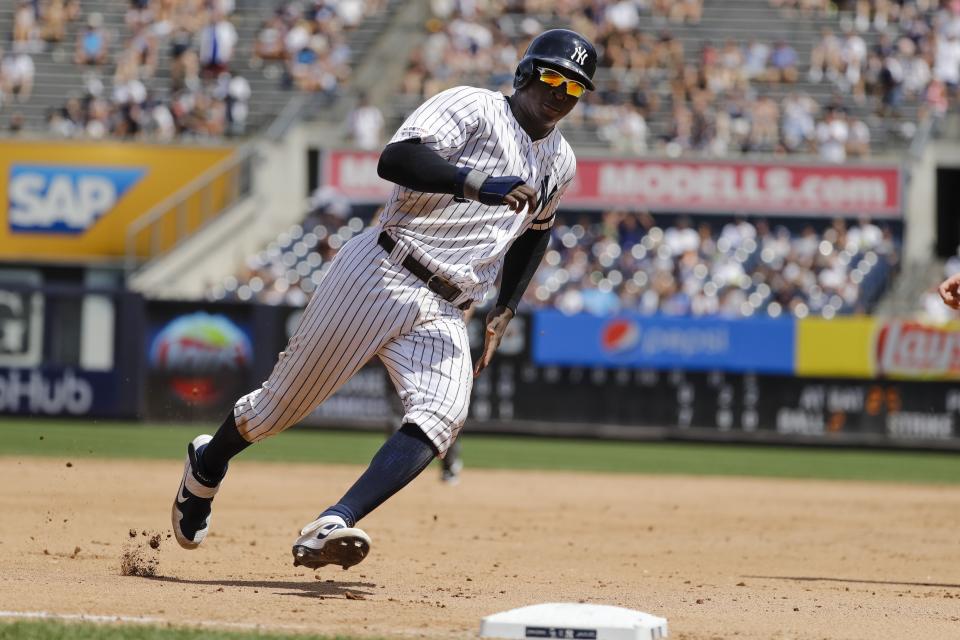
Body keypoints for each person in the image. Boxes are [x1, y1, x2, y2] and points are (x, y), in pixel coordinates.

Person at [171, 28, 594, 570]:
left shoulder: (560, 160)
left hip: (447, 305)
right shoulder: (473, 105)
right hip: (383, 269)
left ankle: (335, 520)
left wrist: (505, 308)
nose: (560, 91)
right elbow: (396, 159)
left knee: (443, 415)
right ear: (525, 73)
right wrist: (476, 182)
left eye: (575, 87)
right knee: (277, 410)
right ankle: (207, 464)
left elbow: (538, 230)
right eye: (553, 75)